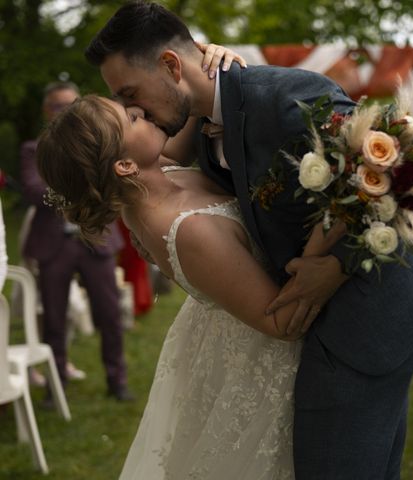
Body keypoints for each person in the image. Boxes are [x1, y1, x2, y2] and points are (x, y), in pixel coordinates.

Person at [86, 2, 413, 478]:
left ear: (171, 65)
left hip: (366, 322)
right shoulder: (198, 123)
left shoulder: (288, 96)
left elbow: (401, 168)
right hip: (322, 333)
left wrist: (332, 265)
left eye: (130, 92)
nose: (132, 108)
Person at [36, 93, 346, 478]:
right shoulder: (186, 230)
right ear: (125, 164)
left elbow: (188, 105)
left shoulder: (154, 175)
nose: (142, 112)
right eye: (131, 119)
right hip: (260, 354)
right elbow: (280, 324)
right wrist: (335, 267)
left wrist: (208, 67)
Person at [20, 81, 131, 399]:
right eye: (58, 106)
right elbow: (32, 188)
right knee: (54, 319)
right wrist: (82, 187)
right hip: (54, 245)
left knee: (110, 315)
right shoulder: (34, 148)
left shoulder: (97, 143)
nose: (66, 112)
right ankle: (56, 387)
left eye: (72, 104)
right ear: (47, 110)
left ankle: (117, 382)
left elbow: (113, 181)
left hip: (96, 240)